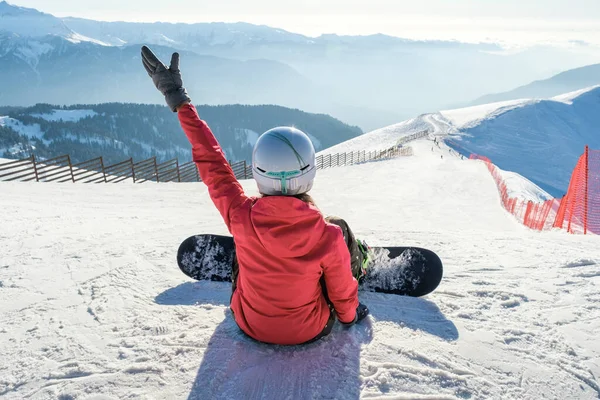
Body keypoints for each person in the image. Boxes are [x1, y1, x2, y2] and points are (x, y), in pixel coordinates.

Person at [141, 46, 370, 346]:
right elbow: (341, 297)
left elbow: (212, 162)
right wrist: (351, 317)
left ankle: (254, 266)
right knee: (339, 229)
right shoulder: (327, 237)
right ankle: (359, 261)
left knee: (242, 243)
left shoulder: (241, 216)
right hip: (309, 331)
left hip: (248, 325)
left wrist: (179, 101)